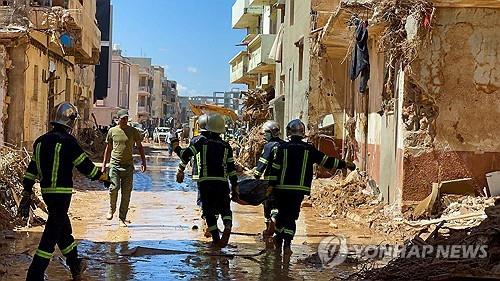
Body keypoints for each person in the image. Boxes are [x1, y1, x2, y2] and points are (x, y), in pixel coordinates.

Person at [19, 102, 112, 281]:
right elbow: (86, 166)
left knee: (63, 229)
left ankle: (75, 264)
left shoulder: (39, 141)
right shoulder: (68, 142)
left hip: (47, 193)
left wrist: (26, 191)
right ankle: (35, 273)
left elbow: (32, 169)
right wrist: (103, 177)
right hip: (62, 194)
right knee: (51, 234)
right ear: (70, 122)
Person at [269, 119, 356, 255]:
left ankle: (279, 240)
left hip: (282, 188)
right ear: (303, 133)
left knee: (282, 214)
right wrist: (344, 164)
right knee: (292, 217)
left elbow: (274, 169)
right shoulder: (309, 149)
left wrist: (270, 186)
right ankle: (287, 245)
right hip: (299, 190)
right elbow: (326, 161)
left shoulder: (281, 148)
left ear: (288, 132)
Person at [172, 113, 239, 247]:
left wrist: (176, 148)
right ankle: (228, 225)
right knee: (225, 208)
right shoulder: (226, 146)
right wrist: (235, 186)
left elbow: (186, 155)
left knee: (208, 211)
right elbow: (232, 169)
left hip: (205, 181)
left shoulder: (200, 142)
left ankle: (215, 239)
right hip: (222, 182)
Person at [101, 109, 147, 227]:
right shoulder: (112, 131)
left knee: (126, 194)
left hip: (128, 167)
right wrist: (104, 165)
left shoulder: (133, 131)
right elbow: (108, 148)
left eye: (126, 118)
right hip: (115, 165)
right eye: (123, 118)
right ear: (118, 119)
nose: (125, 120)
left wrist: (143, 162)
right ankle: (111, 209)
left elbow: (140, 147)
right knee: (113, 188)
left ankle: (122, 218)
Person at [253, 120, 285, 237]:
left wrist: (256, 175)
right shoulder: (284, 145)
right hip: (284, 181)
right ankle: (277, 226)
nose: (264, 135)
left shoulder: (269, 146)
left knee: (267, 203)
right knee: (278, 204)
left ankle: (268, 228)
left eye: (266, 133)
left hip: (270, 180)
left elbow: (263, 163)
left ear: (271, 133)